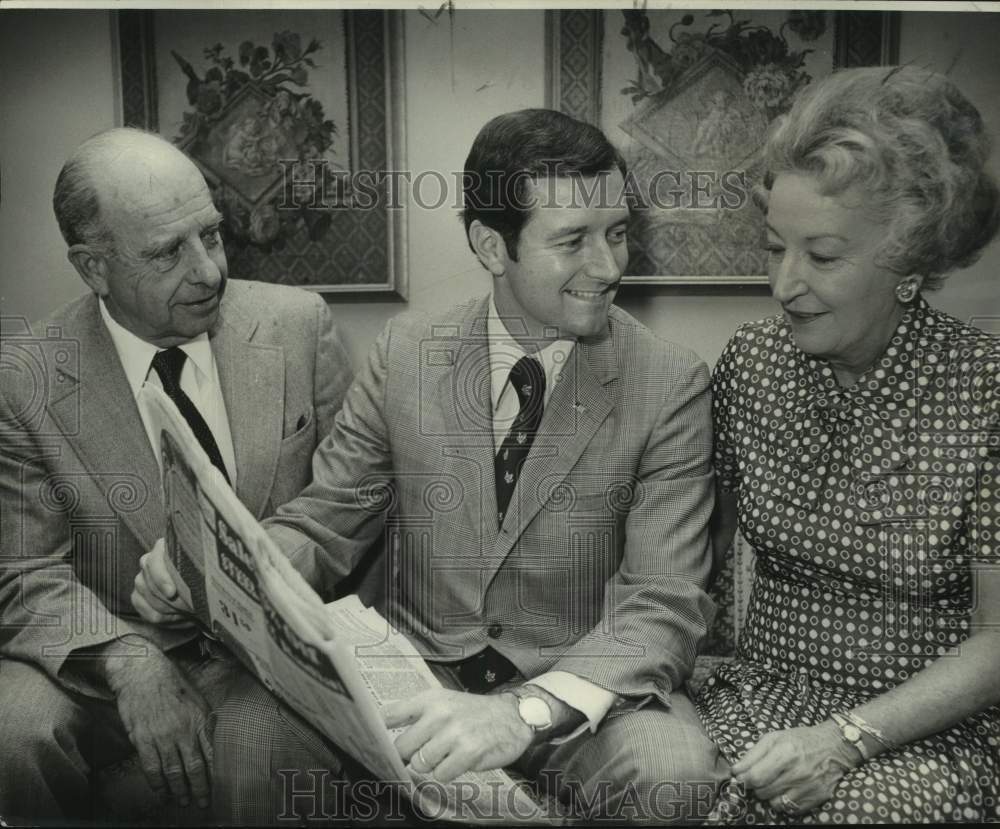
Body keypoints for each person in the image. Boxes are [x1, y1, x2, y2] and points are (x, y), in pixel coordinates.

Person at [136, 108, 729, 823]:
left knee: (676, 771)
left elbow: (663, 599)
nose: (608, 267)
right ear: (491, 245)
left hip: (576, 700)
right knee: (249, 731)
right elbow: (326, 524)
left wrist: (525, 711)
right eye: (572, 240)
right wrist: (205, 564)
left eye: (618, 232)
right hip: (415, 683)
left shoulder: (670, 380)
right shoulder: (408, 352)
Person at [0, 128, 353, 822]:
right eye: (168, 252)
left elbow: (347, 504)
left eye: (212, 236)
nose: (211, 271)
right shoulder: (24, 377)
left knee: (262, 746)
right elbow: (23, 569)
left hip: (269, 654)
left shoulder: (298, 324)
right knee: (14, 731)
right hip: (110, 643)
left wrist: (261, 578)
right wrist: (127, 658)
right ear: (93, 267)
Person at [697, 66, 1000, 824]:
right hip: (752, 696)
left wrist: (844, 738)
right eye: (774, 249)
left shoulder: (986, 388)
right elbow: (693, 559)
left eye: (822, 257)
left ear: (910, 262)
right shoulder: (752, 362)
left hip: (922, 728)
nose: (784, 284)